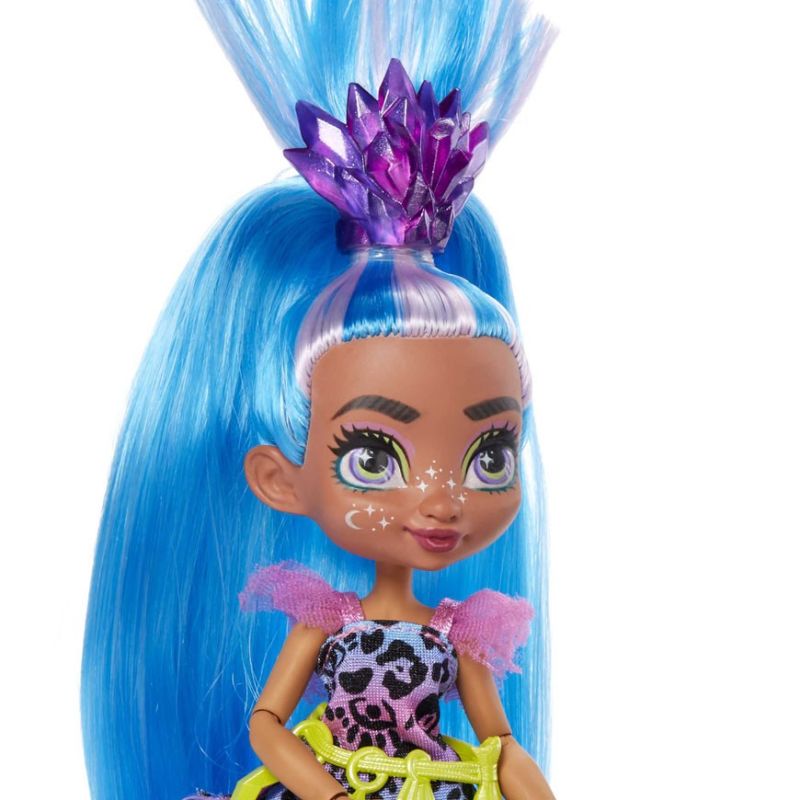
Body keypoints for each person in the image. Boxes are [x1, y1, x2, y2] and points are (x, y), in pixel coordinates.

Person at [80, 2, 557, 799]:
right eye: (373, 457)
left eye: (490, 455)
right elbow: (267, 725)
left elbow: (500, 740)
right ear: (280, 479)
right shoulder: (324, 619)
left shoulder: (461, 631)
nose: (442, 499)